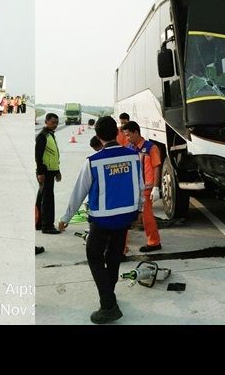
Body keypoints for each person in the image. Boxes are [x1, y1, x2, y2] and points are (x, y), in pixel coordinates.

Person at [58, 116, 143, 324]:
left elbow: (80, 191)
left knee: (94, 256)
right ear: (117, 133)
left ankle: (108, 305)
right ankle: (110, 295)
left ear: (97, 136)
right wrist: (139, 211)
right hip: (125, 217)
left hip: (102, 219)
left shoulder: (93, 161)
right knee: (113, 256)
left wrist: (66, 217)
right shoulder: (133, 157)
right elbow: (140, 186)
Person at [122, 121, 162, 252]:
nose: (127, 138)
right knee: (127, 217)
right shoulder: (130, 148)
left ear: (136, 132)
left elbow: (157, 167)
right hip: (133, 189)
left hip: (146, 189)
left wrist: (156, 187)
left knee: (147, 217)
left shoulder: (151, 148)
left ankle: (154, 242)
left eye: (128, 135)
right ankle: (122, 246)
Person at [35, 113, 62, 234]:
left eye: (56, 123)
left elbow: (53, 155)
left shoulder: (50, 135)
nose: (55, 125)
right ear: (46, 122)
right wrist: (40, 172)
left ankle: (39, 223)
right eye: (53, 122)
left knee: (42, 197)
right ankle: (47, 226)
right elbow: (38, 156)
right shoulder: (42, 136)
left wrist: (57, 170)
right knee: (47, 200)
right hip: (45, 172)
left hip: (51, 171)